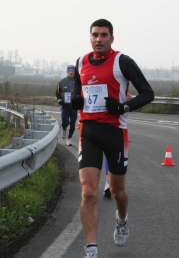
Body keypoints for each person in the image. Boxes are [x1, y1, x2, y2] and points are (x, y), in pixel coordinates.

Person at [70, 19, 154, 258]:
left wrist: (122, 107)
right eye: (95, 35)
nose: (99, 39)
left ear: (111, 38)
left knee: (117, 191)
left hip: (115, 132)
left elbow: (148, 93)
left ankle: (122, 218)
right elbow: (78, 87)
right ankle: (91, 250)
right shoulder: (81, 62)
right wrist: (76, 98)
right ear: (90, 37)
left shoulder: (123, 62)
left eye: (104, 35)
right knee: (89, 191)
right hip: (88, 132)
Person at [103, 93, 132, 198]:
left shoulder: (121, 80)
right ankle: (107, 183)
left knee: (111, 155)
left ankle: (108, 182)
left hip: (116, 125)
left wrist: (126, 100)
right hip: (94, 125)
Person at [55, 65, 78, 146]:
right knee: (65, 122)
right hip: (65, 106)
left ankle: (69, 139)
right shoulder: (61, 82)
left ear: (75, 71)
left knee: (72, 123)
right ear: (67, 72)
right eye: (70, 71)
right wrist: (59, 100)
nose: (71, 72)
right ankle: (64, 128)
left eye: (73, 70)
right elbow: (57, 93)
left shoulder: (78, 81)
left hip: (74, 107)